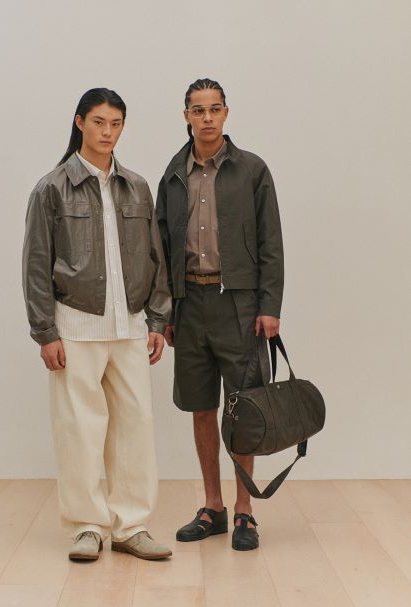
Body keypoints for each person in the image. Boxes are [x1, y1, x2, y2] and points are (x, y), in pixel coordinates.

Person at [22, 88, 172, 561]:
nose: (108, 132)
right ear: (80, 122)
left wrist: (158, 318)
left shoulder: (137, 187)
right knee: (80, 430)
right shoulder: (51, 188)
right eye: (99, 122)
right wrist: (45, 331)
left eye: (116, 124)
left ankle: (131, 526)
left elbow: (156, 257)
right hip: (75, 327)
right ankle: (87, 525)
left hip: (130, 326)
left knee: (135, 428)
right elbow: (36, 263)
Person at [156, 78, 284, 551]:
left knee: (244, 406)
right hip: (189, 305)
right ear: (186, 116)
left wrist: (269, 306)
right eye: (198, 109)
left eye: (214, 109)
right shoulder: (173, 174)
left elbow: (271, 241)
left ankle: (245, 509)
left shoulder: (252, 170)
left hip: (240, 306)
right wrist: (166, 310)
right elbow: (161, 245)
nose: (207, 117)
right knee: (201, 405)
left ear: (226, 113)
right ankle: (213, 507)